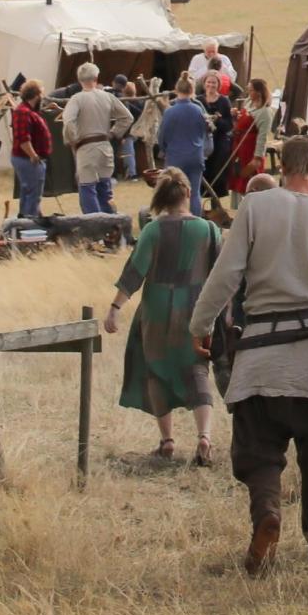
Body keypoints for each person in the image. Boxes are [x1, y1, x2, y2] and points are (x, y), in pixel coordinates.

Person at [186, 134, 308, 576]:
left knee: (258, 454)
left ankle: (267, 515)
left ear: (283, 168)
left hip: (262, 355)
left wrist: (200, 326)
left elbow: (224, 277)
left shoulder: (256, 208)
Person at [104, 176, 223, 466]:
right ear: (187, 192)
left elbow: (135, 271)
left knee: (156, 369)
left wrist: (115, 308)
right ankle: (204, 437)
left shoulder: (153, 230)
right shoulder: (209, 229)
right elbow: (222, 275)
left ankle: (167, 441)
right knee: (197, 369)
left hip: (156, 307)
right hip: (195, 308)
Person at [62, 63, 132, 216]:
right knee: (104, 191)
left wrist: (73, 140)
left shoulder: (77, 99)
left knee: (88, 190)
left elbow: (68, 122)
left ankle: (96, 229)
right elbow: (127, 117)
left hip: (86, 148)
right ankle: (111, 228)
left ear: (79, 79)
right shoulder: (107, 96)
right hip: (105, 147)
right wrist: (113, 133)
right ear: (96, 78)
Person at [155, 76, 210, 215]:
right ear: (192, 90)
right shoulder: (198, 109)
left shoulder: (169, 112)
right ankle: (196, 221)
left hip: (175, 157)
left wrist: (164, 149)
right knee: (195, 193)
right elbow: (204, 132)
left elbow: (162, 136)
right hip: (195, 155)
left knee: (172, 191)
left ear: (176, 90)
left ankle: (174, 219)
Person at [9, 82, 53, 219]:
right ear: (35, 95)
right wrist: (33, 155)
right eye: (41, 94)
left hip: (29, 158)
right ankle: (30, 225)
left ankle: (27, 221)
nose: (42, 97)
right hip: (27, 158)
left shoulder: (30, 111)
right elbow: (23, 138)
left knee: (28, 192)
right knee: (33, 195)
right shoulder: (22, 112)